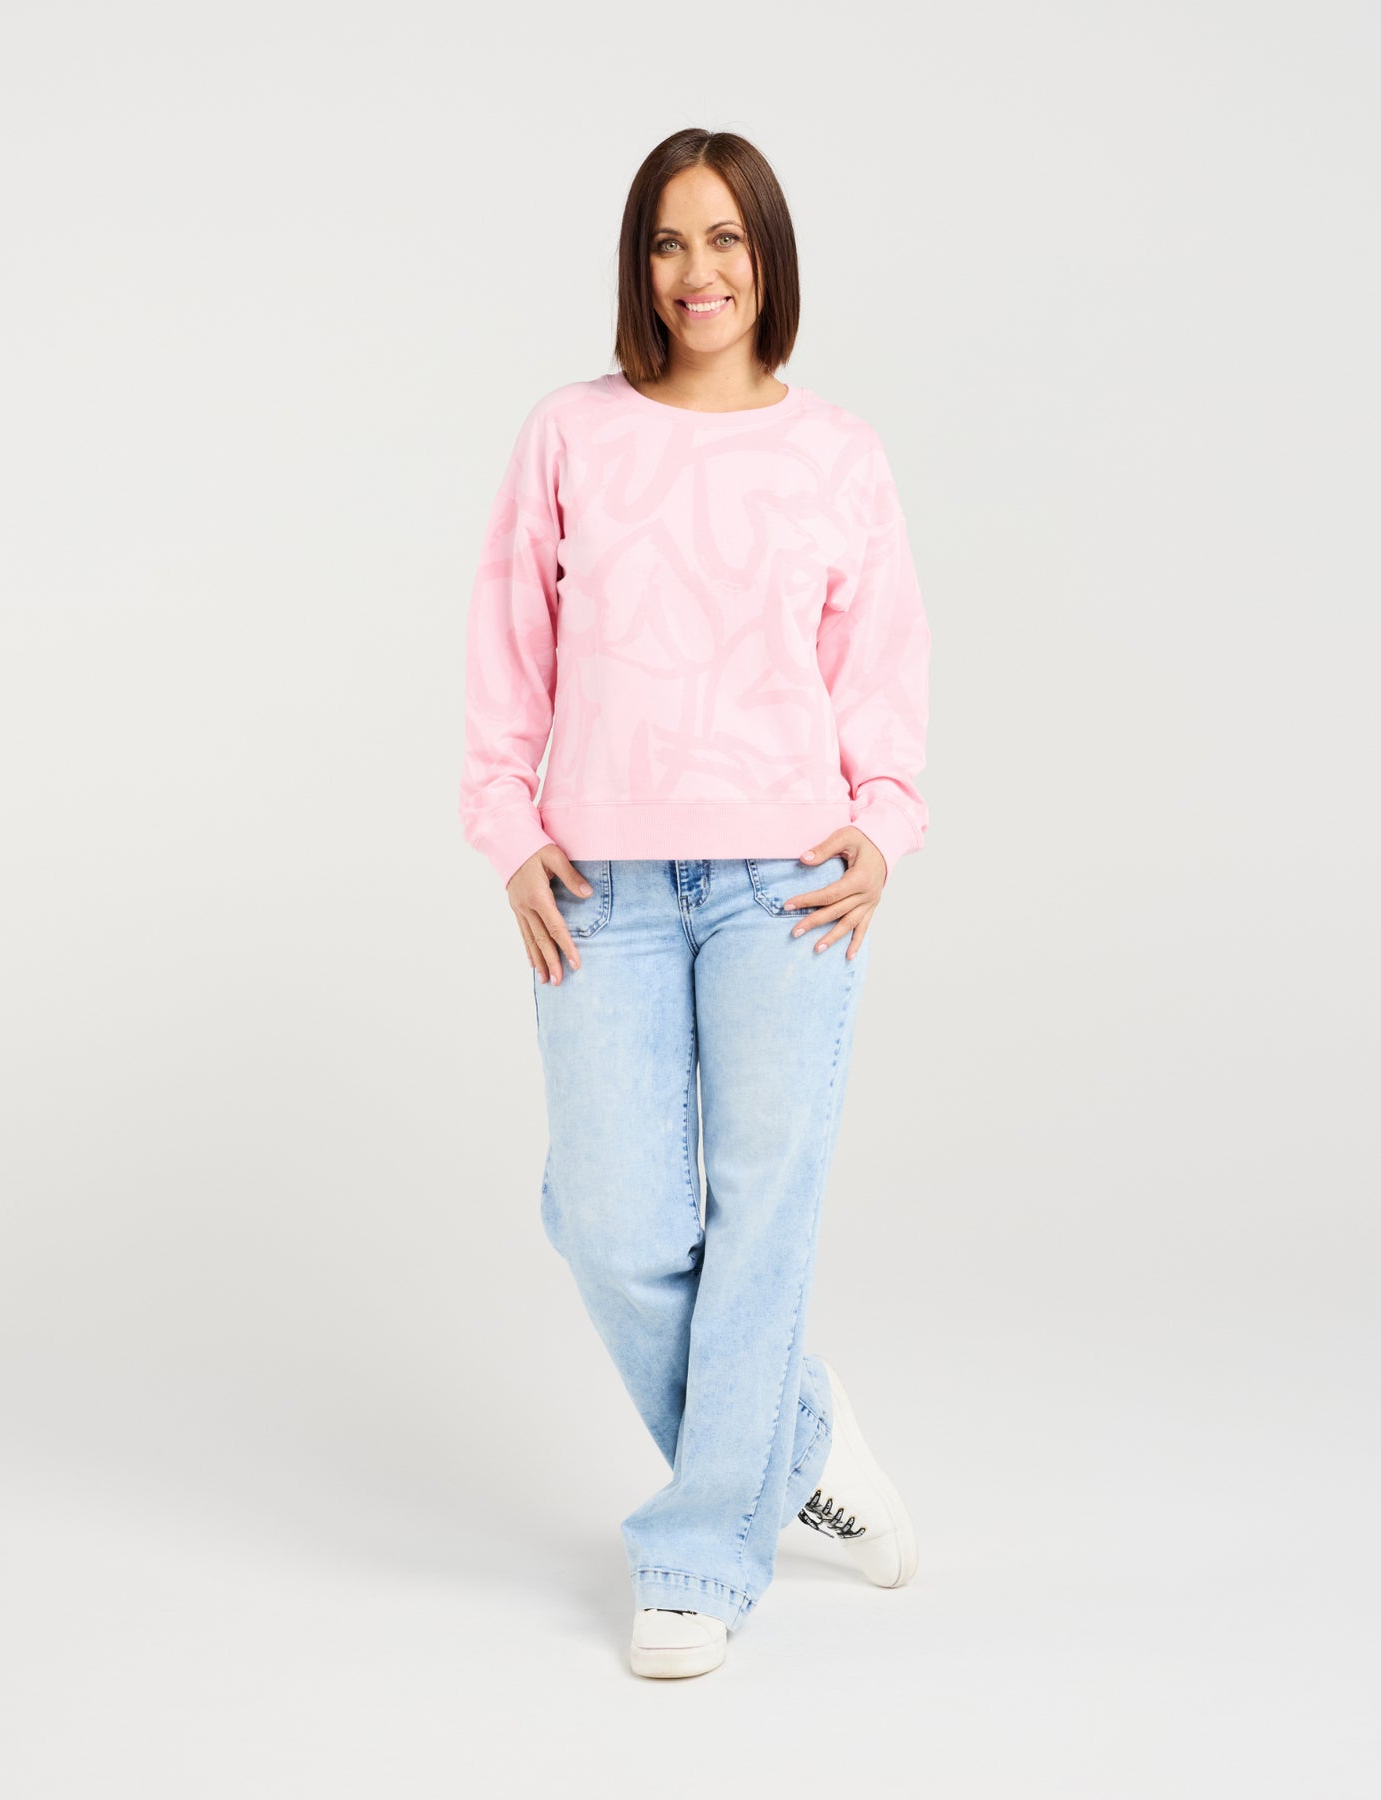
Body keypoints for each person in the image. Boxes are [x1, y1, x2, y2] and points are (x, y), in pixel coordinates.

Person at [459, 127, 931, 1680]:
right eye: (669, 241)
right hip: (600, 876)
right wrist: (506, 828)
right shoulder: (572, 434)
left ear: (768, 258)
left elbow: (883, 661)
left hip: (787, 882)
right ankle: (799, 1439)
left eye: (726, 239)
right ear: (638, 264)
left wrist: (884, 822)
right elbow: (507, 647)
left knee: (763, 1214)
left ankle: (702, 1555)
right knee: (611, 1218)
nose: (698, 271)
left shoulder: (837, 452)